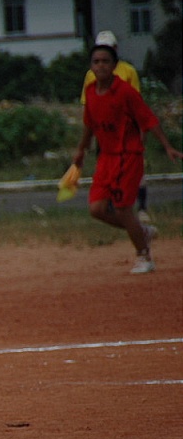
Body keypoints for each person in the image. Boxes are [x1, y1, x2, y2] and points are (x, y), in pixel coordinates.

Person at [71, 43, 183, 275]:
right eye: (96, 62)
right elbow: (89, 124)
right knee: (97, 209)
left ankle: (144, 256)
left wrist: (167, 146)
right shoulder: (90, 92)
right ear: (90, 66)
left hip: (128, 156)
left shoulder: (125, 92)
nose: (101, 66)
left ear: (114, 65)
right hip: (106, 157)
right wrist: (81, 150)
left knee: (123, 209)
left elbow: (148, 119)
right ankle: (142, 231)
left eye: (105, 61)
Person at [81, 30, 149, 222]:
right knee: (107, 172)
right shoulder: (91, 75)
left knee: (136, 171)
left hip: (127, 132)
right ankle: (112, 206)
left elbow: (136, 104)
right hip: (106, 132)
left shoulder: (128, 71)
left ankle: (141, 207)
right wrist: (89, 137)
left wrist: (141, 133)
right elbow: (89, 107)